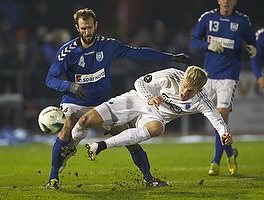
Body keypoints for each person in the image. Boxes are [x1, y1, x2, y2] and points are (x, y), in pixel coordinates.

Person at [45, 8, 192, 189]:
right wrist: (70, 86)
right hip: (75, 102)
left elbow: (138, 52)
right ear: (77, 28)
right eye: (83, 28)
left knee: (130, 140)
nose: (87, 32)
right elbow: (49, 79)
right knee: (67, 128)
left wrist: (171, 57)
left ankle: (149, 179)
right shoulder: (67, 52)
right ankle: (53, 179)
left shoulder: (108, 45)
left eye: (90, 27)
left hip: (101, 104)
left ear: (96, 25)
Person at [71, 66, 233, 186]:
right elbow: (140, 82)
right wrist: (149, 97)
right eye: (184, 87)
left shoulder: (203, 100)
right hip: (138, 100)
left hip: (154, 116)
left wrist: (224, 133)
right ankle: (69, 147)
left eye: (189, 91)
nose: (183, 92)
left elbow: (216, 119)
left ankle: (99, 146)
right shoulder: (171, 75)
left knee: (156, 129)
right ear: (183, 78)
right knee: (86, 121)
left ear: (199, 91)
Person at [189, 0, 264, 176]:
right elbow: (193, 42)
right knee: (216, 122)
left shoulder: (242, 21)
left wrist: (250, 49)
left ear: (235, 2)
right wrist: (207, 45)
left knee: (221, 121)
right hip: (208, 77)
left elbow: (252, 43)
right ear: (219, 0)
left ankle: (216, 162)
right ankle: (231, 154)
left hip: (229, 77)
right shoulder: (208, 18)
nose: (226, 2)